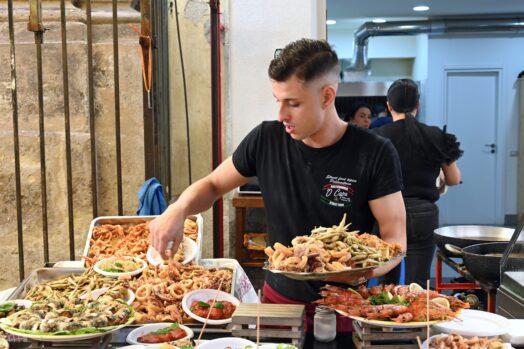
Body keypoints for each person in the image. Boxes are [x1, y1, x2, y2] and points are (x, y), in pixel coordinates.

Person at [149, 38, 406, 331]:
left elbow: (396, 239)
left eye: (293, 103)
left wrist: (363, 272)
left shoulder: (374, 152)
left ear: (326, 96)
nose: (281, 115)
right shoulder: (266, 139)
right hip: (278, 303)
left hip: (346, 306)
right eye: (278, 101)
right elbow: (212, 185)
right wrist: (178, 209)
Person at [373, 78, 462, 286]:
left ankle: (385, 317)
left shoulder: (376, 137)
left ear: (388, 105)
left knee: (386, 282)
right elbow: (454, 178)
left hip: (386, 215)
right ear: (418, 105)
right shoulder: (435, 136)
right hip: (424, 215)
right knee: (418, 285)